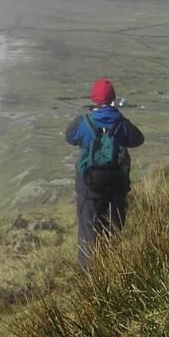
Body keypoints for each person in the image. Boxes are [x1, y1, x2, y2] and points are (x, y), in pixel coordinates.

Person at [65, 78, 145, 269]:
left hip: (89, 186)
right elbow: (138, 139)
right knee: (114, 230)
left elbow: (70, 137)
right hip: (117, 184)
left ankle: (89, 278)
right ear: (113, 98)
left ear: (94, 99)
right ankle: (113, 271)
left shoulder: (84, 122)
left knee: (88, 232)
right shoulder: (121, 123)